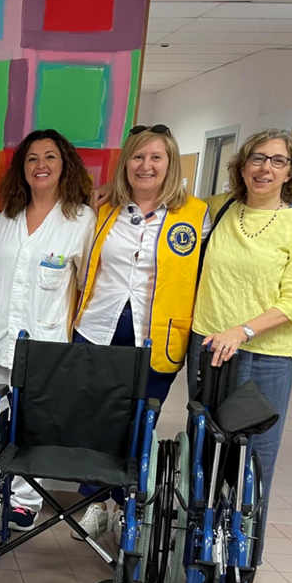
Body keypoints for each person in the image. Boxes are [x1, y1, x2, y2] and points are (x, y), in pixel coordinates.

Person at [188, 129, 292, 565]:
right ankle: (197, 549)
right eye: (257, 158)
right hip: (209, 345)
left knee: (254, 461)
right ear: (242, 166)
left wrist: (241, 331)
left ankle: (241, 560)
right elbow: (169, 202)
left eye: (278, 161)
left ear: (291, 172)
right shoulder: (219, 208)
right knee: (203, 452)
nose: (266, 168)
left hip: (267, 356)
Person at [72, 124, 210, 539]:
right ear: (126, 163)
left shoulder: (196, 215)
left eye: (155, 157)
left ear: (170, 163)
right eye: (137, 156)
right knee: (94, 418)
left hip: (158, 336)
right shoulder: (104, 208)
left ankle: (126, 504)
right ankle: (95, 502)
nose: (146, 165)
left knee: (140, 421)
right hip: (98, 327)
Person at [0, 130, 96, 531]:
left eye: (49, 157)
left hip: (45, 342)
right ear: (22, 168)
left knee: (35, 425)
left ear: (65, 165)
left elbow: (87, 285)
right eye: (31, 158)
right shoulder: (5, 217)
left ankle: (25, 501)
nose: (40, 165)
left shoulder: (81, 220)